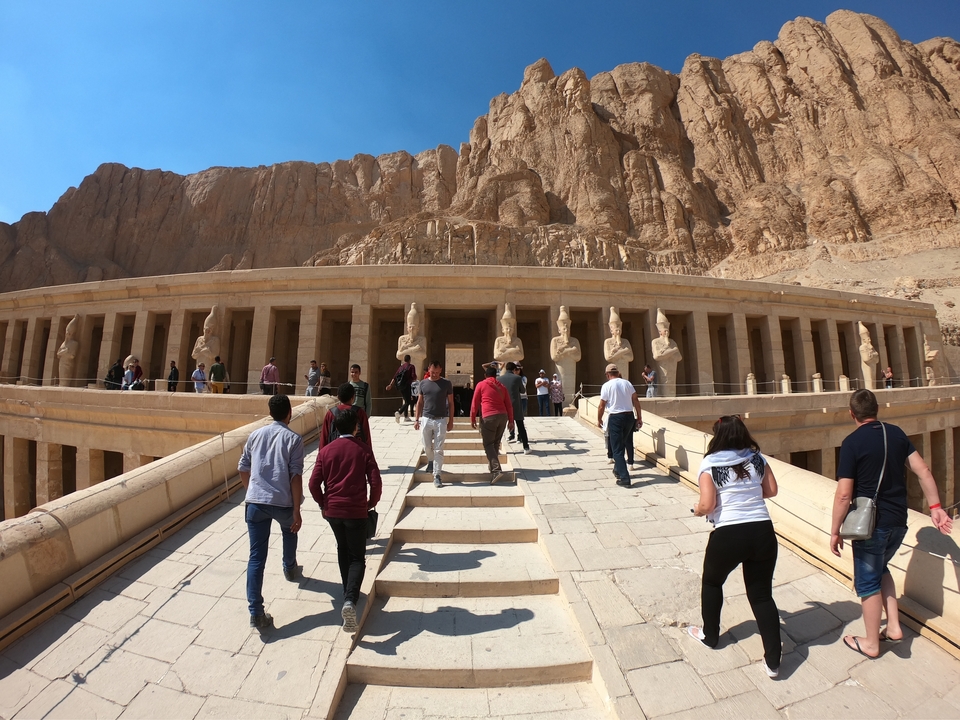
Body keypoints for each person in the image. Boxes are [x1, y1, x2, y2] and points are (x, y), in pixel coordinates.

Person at [830, 389, 953, 659]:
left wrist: (835, 530)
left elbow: (844, 494)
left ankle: (872, 643)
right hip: (899, 520)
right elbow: (923, 471)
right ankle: (894, 627)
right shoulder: (895, 433)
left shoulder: (852, 442)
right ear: (877, 409)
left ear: (852, 414)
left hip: (870, 525)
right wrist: (935, 508)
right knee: (881, 568)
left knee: (868, 582)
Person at [688, 415, 781, 678]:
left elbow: (707, 505)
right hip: (762, 530)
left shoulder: (710, 463)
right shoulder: (758, 458)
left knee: (713, 582)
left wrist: (696, 510)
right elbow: (771, 489)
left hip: (729, 532)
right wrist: (748, 494)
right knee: (762, 595)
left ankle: (710, 635)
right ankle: (773, 662)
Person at [309, 408, 382, 633]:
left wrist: (323, 504)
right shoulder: (363, 450)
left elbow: (313, 483)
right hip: (356, 511)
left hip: (333, 512)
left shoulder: (326, 451)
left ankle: (347, 593)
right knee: (357, 557)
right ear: (355, 427)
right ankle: (350, 599)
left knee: (343, 549)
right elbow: (376, 482)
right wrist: (371, 502)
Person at [238, 394, 304, 629]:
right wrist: (297, 510)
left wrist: (252, 492)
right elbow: (296, 476)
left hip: (256, 502)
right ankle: (289, 567)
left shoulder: (255, 435)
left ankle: (256, 612)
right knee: (290, 530)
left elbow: (243, 467)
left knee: (256, 557)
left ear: (270, 413)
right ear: (289, 413)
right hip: (283, 501)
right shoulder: (293, 439)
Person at [596, 364, 643, 486]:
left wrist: (599, 419)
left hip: (616, 417)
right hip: (629, 417)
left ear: (607, 375)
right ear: (617, 373)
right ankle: (617, 470)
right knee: (621, 444)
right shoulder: (627, 383)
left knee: (617, 448)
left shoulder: (607, 386)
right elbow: (636, 400)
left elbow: (602, 405)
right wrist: (639, 417)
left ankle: (624, 478)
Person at [470, 365, 514, 485]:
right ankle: (492, 466)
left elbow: (475, 402)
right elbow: (509, 405)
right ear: (496, 376)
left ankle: (496, 470)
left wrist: (472, 417)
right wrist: (511, 420)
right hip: (503, 416)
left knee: (488, 443)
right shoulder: (502, 387)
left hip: (489, 416)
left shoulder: (481, 384)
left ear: (485, 375)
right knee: (495, 443)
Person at [414, 360, 455, 487]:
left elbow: (451, 402)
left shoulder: (446, 383)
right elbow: (420, 402)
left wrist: (451, 420)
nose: (435, 375)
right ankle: (430, 460)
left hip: (441, 419)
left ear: (441, 371)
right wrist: (416, 419)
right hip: (426, 418)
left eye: (437, 372)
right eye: (433, 372)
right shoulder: (423, 383)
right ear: (428, 370)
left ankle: (437, 475)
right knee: (426, 446)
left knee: (439, 449)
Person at [321, 383, 373, 451]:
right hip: (356, 452)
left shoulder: (330, 413)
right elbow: (366, 437)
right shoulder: (360, 413)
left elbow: (324, 438)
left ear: (338, 397)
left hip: (335, 452)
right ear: (353, 397)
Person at [500, 362, 530, 454]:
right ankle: (526, 447)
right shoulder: (517, 378)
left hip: (504, 405)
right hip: (515, 405)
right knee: (520, 426)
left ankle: (496, 446)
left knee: (500, 428)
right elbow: (522, 390)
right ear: (513, 369)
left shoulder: (499, 379)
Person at [386, 354, 417, 423]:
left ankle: (406, 417)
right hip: (407, 385)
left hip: (400, 386)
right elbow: (413, 376)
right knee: (408, 401)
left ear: (404, 360)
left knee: (406, 400)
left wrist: (390, 385)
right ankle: (399, 412)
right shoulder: (411, 366)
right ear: (409, 359)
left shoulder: (401, 367)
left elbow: (395, 376)